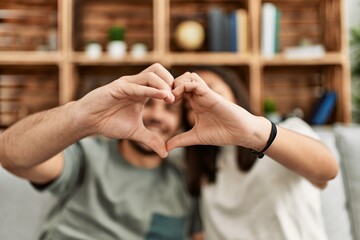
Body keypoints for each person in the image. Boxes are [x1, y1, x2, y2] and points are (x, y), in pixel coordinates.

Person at [0, 63, 194, 240]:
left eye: (170, 109)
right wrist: (80, 115)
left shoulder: (185, 179)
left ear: (180, 123)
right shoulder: (89, 155)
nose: (157, 116)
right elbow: (9, 155)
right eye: (148, 104)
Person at [170, 66, 338, 240]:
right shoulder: (195, 162)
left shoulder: (287, 130)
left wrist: (253, 134)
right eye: (188, 107)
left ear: (234, 93)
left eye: (209, 90)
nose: (199, 105)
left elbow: (328, 169)